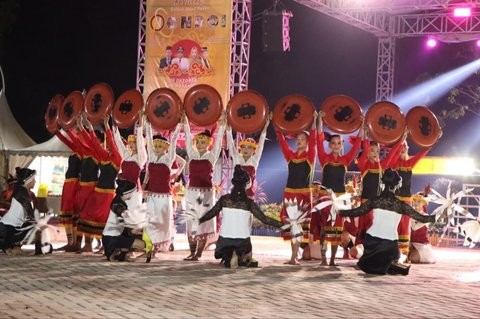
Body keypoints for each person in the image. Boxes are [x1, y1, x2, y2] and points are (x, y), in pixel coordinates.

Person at [339, 168, 438, 275]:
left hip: (371, 241)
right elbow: (423, 218)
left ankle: (381, 263)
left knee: (378, 264)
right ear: (397, 186)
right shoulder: (400, 205)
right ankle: (388, 264)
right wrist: (440, 214)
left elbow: (356, 211)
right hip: (390, 244)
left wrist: (340, 211)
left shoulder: (375, 200)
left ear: (383, 184)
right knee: (394, 260)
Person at [199, 165, 284, 268]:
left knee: (227, 249)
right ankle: (239, 255)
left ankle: (230, 255)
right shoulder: (249, 203)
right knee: (249, 258)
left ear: (233, 183)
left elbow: (211, 214)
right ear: (247, 185)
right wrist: (283, 225)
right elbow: (265, 219)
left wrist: (199, 220)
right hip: (242, 241)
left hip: (225, 239)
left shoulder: (224, 199)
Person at [314, 113, 363, 266]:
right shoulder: (324, 158)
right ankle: (323, 259)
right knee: (324, 228)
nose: (335, 145)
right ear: (330, 145)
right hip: (326, 196)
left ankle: (333, 260)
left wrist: (361, 127)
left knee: (337, 229)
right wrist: (320, 121)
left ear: (342, 145)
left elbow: (356, 146)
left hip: (340, 199)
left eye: (338, 143)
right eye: (333, 143)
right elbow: (318, 140)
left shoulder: (345, 160)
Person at [183, 114, 226, 261]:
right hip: (191, 193)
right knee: (192, 222)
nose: (200, 144)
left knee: (203, 223)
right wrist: (185, 121)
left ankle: (199, 254)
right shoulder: (192, 153)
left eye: (203, 142)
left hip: (206, 194)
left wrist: (222, 125)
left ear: (208, 143)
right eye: (198, 142)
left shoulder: (211, 156)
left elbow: (219, 142)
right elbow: (188, 138)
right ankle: (192, 252)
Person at [275, 113, 317, 265]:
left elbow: (314, 142)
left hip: (303, 196)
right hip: (290, 195)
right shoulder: (291, 156)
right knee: (292, 226)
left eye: (302, 139)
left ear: (307, 142)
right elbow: (282, 143)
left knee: (299, 226)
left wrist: (314, 120)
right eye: (298, 140)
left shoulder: (310, 156)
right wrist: (277, 126)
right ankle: (293, 256)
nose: (299, 142)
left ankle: (294, 256)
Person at [77, 115, 123, 246]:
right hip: (98, 191)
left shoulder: (118, 159)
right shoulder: (103, 156)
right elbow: (93, 142)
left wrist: (107, 125)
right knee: (88, 215)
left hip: (108, 193)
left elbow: (112, 143)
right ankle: (88, 246)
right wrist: (85, 125)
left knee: (105, 219)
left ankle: (105, 245)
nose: (108, 145)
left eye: (110, 144)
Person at [389, 138, 437, 256]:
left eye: (404, 145)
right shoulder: (394, 163)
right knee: (394, 226)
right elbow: (392, 159)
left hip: (406, 200)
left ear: (408, 148)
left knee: (405, 227)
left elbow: (423, 152)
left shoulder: (410, 163)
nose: (402, 147)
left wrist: (434, 138)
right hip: (395, 200)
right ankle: (391, 254)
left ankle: (403, 256)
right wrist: (399, 145)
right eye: (400, 146)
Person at [143, 116, 182, 255]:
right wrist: (147, 122)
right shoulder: (152, 158)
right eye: (156, 146)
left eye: (160, 146)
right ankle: (149, 247)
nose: (157, 148)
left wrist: (179, 124)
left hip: (164, 197)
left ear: (166, 148)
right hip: (152, 195)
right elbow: (148, 137)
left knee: (161, 222)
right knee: (149, 221)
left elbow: (174, 139)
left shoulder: (168, 158)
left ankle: (156, 248)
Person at [55, 128, 90, 251]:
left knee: (72, 212)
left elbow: (72, 138)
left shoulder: (83, 149)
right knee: (66, 212)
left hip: (75, 183)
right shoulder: (75, 149)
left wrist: (69, 129)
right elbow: (66, 140)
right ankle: (70, 242)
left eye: (79, 135)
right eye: (78, 134)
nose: (77, 136)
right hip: (68, 183)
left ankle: (74, 243)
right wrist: (57, 131)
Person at [103, 179, 146, 262]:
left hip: (113, 236)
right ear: (128, 193)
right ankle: (114, 250)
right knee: (141, 244)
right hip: (111, 238)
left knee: (135, 235)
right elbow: (127, 221)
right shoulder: (117, 204)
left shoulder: (120, 201)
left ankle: (119, 253)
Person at [226, 117, 269, 199]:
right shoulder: (237, 158)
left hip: (249, 197)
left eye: (249, 147)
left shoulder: (254, 160)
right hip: (235, 195)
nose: (246, 149)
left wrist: (266, 126)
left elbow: (262, 140)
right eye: (244, 147)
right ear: (240, 148)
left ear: (253, 150)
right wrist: (228, 129)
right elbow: (230, 143)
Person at [113, 115, 147, 211]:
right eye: (130, 142)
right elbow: (118, 142)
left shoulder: (141, 158)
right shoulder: (126, 155)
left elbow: (140, 140)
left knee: (131, 217)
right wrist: (114, 124)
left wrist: (141, 120)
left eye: (133, 142)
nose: (131, 144)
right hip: (122, 190)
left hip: (134, 191)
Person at [0, 168, 36, 254]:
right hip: (7, 230)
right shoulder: (22, 192)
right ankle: (13, 246)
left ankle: (10, 247)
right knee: (34, 226)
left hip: (6, 228)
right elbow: (30, 212)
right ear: (28, 181)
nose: (35, 182)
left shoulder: (20, 190)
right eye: (34, 180)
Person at [408, 192, 436, 264]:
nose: (415, 203)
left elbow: (414, 227)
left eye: (419, 201)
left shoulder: (426, 216)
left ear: (424, 203)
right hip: (409, 244)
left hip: (421, 245)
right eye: (414, 200)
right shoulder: (409, 213)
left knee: (412, 258)